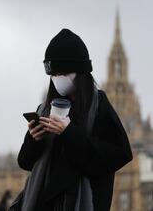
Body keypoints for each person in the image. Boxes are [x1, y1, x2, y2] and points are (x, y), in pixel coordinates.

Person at [11, 29, 133, 211]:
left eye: (62, 73)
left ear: (79, 72)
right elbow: (26, 162)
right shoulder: (45, 108)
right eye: (53, 75)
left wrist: (69, 133)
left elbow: (118, 155)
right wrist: (33, 139)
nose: (57, 79)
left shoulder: (98, 106)